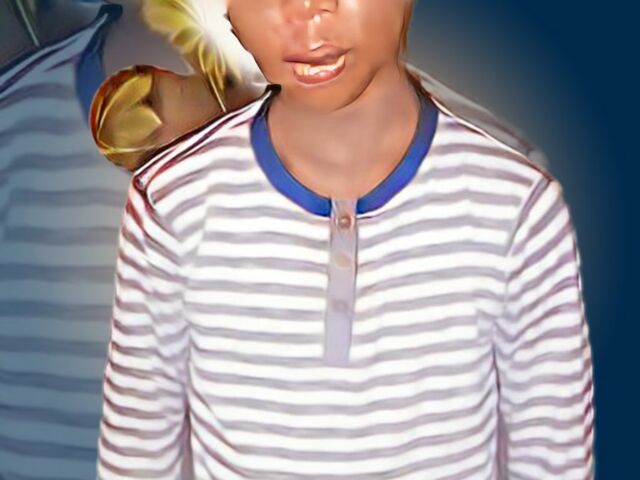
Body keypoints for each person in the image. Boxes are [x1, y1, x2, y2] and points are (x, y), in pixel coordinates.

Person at [96, 1, 595, 479]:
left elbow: (553, 455)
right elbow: (138, 449)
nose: (306, 9)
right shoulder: (168, 203)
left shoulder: (516, 207)